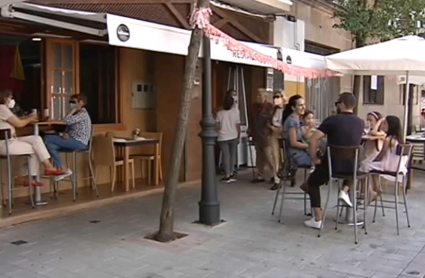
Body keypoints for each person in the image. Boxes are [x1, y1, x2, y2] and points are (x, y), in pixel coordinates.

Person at [300, 92, 364, 229]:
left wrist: (314, 158)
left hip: (332, 165)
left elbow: (313, 139)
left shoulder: (332, 120)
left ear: (341, 104)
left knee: (311, 183)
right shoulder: (360, 122)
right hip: (352, 167)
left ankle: (318, 218)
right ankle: (344, 191)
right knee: (352, 168)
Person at [0, 89, 63, 186]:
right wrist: (30, 118)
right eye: (11, 97)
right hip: (5, 144)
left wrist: (27, 117)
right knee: (36, 149)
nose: (12, 100)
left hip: (11, 140)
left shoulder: (4, 109)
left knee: (36, 139)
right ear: (5, 98)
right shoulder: (1, 108)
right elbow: (19, 124)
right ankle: (28, 176)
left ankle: (47, 167)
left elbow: (15, 119)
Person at [44, 94, 92, 181]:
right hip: (72, 140)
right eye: (70, 102)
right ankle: (64, 169)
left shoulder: (82, 113)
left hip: (79, 142)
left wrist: (72, 111)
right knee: (50, 145)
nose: (71, 104)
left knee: (47, 138)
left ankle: (57, 168)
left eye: (73, 102)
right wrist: (65, 134)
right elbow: (69, 127)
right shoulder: (77, 114)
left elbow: (66, 120)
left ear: (81, 103)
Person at [359, 116, 407, 200]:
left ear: (390, 125)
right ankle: (377, 188)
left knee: (363, 166)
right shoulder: (399, 139)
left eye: (385, 123)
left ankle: (368, 192)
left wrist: (372, 161)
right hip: (399, 167)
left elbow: (381, 155)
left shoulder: (388, 139)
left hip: (388, 166)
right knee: (372, 167)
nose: (382, 125)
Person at [250, 88, 275, 183]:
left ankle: (275, 174)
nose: (258, 97)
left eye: (260, 95)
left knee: (269, 156)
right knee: (259, 156)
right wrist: (251, 130)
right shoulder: (254, 107)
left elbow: (271, 120)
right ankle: (260, 174)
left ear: (265, 96)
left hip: (266, 135)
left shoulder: (270, 107)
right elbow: (252, 119)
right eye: (257, 95)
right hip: (257, 134)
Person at [216, 93, 241, 183]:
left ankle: (226, 175)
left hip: (222, 136)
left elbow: (217, 126)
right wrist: (238, 136)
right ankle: (231, 172)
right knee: (232, 154)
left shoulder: (219, 113)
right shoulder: (236, 112)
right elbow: (238, 125)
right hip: (233, 135)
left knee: (225, 155)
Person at [282, 95, 310, 167]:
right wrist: (309, 146)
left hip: (300, 152)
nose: (303, 107)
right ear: (293, 107)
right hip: (296, 154)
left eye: (304, 104)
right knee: (321, 161)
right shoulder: (292, 121)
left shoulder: (297, 119)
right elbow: (293, 143)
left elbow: (304, 136)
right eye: (300, 105)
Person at [269, 91, 287, 190]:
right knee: (275, 157)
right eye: (275, 97)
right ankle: (277, 179)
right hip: (275, 133)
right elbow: (268, 121)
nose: (277, 98)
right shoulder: (272, 109)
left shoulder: (288, 109)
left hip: (285, 134)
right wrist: (272, 127)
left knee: (285, 157)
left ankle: (289, 175)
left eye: (279, 97)